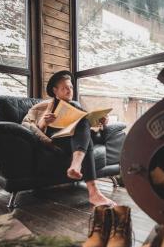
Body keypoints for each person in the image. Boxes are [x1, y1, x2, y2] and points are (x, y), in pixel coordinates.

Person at [22, 70, 116, 207]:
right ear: (55, 91)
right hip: (56, 141)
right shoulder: (43, 106)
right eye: (65, 88)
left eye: (71, 87)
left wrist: (101, 122)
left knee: (84, 122)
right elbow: (29, 125)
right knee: (84, 132)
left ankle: (77, 167)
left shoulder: (77, 105)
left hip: (75, 140)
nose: (69, 91)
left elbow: (90, 129)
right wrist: (44, 122)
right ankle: (93, 192)